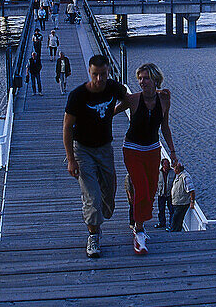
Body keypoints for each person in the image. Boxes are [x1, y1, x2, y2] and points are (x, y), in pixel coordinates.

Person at [64, 55, 127, 258]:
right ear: (89, 73)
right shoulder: (78, 95)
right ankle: (93, 236)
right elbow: (66, 128)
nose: (99, 79)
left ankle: (102, 212)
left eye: (103, 75)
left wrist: (112, 113)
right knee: (92, 197)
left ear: (108, 73)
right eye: (95, 75)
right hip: (82, 150)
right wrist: (71, 159)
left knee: (108, 194)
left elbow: (128, 100)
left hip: (105, 148)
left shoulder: (114, 88)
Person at [111, 63, 177, 255]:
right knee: (140, 187)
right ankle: (138, 230)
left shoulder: (164, 99)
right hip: (132, 149)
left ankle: (139, 224)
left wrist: (172, 152)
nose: (142, 82)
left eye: (146, 78)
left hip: (153, 150)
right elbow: (110, 113)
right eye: (140, 78)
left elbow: (165, 127)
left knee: (151, 190)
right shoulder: (132, 100)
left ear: (155, 79)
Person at [170, 162, 195, 232]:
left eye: (174, 168)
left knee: (176, 220)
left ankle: (174, 234)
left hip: (182, 203)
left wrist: (192, 202)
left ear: (178, 169)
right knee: (175, 219)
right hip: (176, 202)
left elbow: (191, 190)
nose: (173, 170)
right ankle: (174, 231)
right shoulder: (179, 175)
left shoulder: (185, 177)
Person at [154, 158, 173, 230]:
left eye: (168, 163)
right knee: (161, 209)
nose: (167, 165)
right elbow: (155, 182)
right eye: (165, 164)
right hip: (161, 194)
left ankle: (171, 224)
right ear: (162, 165)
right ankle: (162, 223)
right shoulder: (158, 173)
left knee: (171, 210)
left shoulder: (173, 172)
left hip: (170, 195)